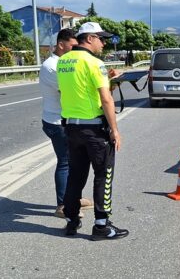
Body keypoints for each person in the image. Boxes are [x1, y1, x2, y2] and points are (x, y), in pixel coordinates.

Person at [57, 22, 128, 240]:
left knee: (75, 176)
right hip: (94, 129)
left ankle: (71, 221)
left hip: (71, 127)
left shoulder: (64, 61)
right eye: (101, 38)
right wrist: (115, 129)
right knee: (103, 176)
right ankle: (101, 226)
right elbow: (105, 99)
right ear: (89, 38)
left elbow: (73, 90)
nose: (103, 43)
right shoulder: (94, 63)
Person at [40, 28, 94, 218]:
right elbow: (68, 91)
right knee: (65, 163)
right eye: (72, 46)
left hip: (66, 119)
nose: (75, 50)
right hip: (56, 122)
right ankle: (63, 205)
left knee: (74, 163)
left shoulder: (65, 62)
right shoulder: (51, 66)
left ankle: (73, 199)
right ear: (61, 44)